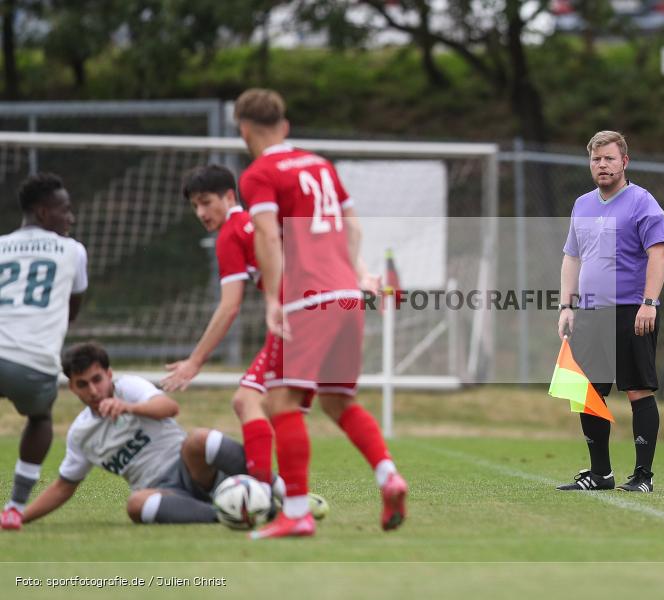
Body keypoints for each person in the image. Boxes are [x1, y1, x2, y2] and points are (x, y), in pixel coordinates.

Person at [233, 88, 407, 539]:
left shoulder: (258, 173)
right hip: (347, 297)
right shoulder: (321, 165)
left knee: (281, 402)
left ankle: (295, 512)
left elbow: (268, 239)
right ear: (285, 126)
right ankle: (389, 476)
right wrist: (361, 274)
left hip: (308, 298)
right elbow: (353, 225)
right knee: (336, 399)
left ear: (244, 129)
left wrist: (273, 298)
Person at [22, 342, 253, 526]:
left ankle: (275, 486)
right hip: (163, 493)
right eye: (82, 384)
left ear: (109, 374)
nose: (93, 391)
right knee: (135, 504)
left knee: (199, 438)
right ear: (72, 388)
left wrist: (128, 407)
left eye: (97, 379)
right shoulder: (80, 435)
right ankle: (221, 515)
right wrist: (17, 516)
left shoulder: (129, 387)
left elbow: (170, 408)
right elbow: (64, 487)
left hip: (192, 468)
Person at [556, 130, 664, 494]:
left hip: (630, 312)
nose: (601, 165)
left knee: (637, 391)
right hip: (590, 313)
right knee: (586, 391)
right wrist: (566, 305)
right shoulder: (582, 204)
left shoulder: (642, 202)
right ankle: (600, 474)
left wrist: (648, 303)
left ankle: (643, 476)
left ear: (624, 162)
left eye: (608, 158)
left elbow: (659, 253)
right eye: (595, 159)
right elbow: (572, 257)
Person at [160, 164, 277, 492]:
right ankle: (282, 494)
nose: (200, 212)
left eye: (206, 202)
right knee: (281, 405)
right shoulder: (261, 221)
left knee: (247, 401)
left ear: (229, 196)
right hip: (325, 309)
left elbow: (229, 306)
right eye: (194, 206)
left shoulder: (230, 234)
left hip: (300, 316)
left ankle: (264, 494)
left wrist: (194, 362)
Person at [0, 173, 88, 531]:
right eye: (64, 210)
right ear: (41, 211)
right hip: (33, 363)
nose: (71, 217)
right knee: (39, 418)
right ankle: (15, 507)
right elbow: (72, 307)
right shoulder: (73, 250)